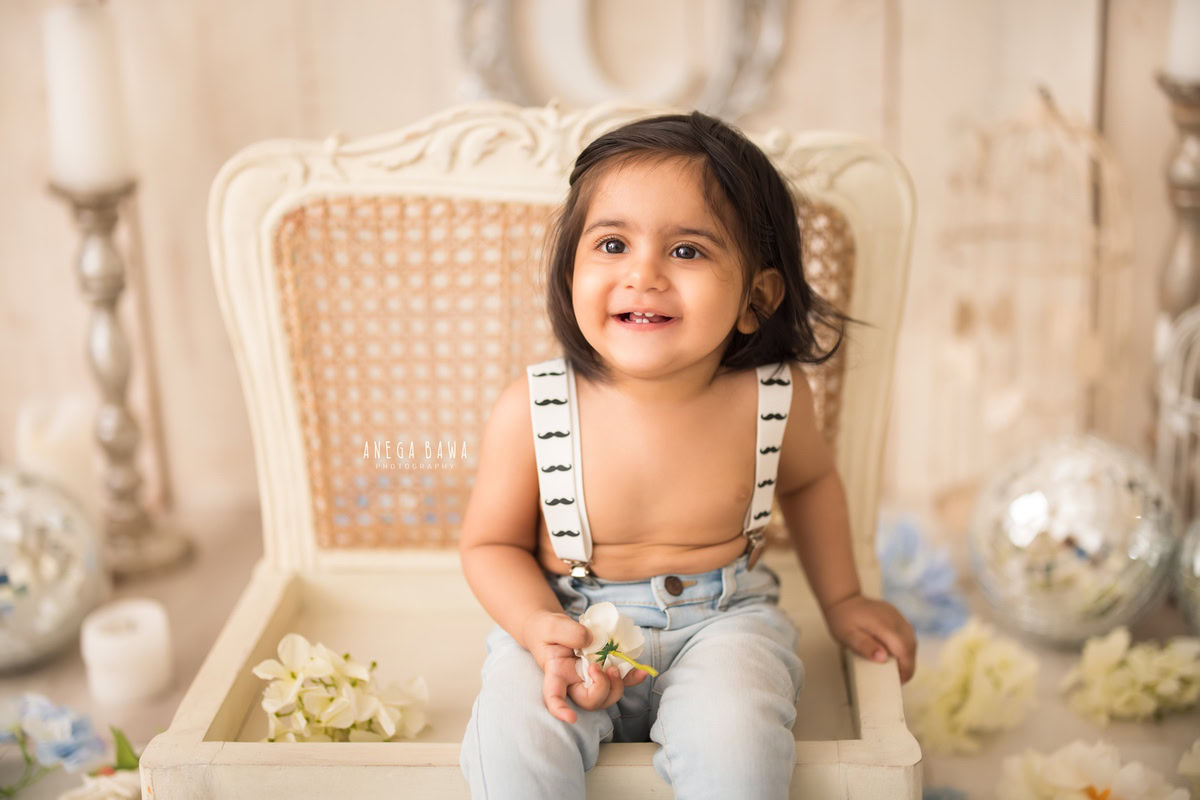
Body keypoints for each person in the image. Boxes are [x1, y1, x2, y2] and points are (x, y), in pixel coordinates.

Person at [458, 110, 916, 799]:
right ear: (569, 267)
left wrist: (844, 596)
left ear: (755, 298)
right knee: (514, 737)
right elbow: (489, 544)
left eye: (687, 251)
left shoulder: (770, 398)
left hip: (724, 623)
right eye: (612, 244)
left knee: (739, 742)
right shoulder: (534, 405)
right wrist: (538, 627)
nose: (643, 275)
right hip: (570, 622)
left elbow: (814, 484)